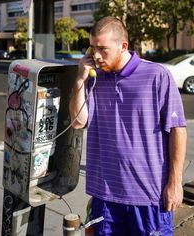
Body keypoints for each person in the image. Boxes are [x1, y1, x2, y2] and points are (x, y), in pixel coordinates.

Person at [69, 16, 187, 236]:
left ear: (123, 46)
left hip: (149, 197)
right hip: (104, 196)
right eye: (92, 48)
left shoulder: (157, 75)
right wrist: (79, 80)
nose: (95, 55)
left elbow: (178, 129)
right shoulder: (93, 79)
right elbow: (77, 121)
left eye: (103, 49)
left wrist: (175, 183)